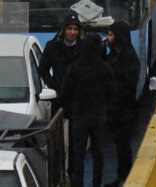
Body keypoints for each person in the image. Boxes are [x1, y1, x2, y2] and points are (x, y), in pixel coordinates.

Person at [60, 34, 115, 187]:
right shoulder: (104, 68)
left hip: (79, 117)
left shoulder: (75, 67)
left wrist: (71, 109)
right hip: (98, 117)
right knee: (98, 153)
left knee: (78, 154)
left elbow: (65, 92)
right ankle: (96, 183)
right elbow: (111, 92)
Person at [104, 21, 140, 185]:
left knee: (123, 143)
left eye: (110, 35)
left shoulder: (128, 56)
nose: (107, 38)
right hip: (116, 109)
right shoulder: (117, 53)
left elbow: (126, 84)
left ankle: (125, 176)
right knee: (120, 143)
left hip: (123, 110)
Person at [39, 14, 85, 110]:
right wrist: (53, 85)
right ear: (64, 29)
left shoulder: (84, 47)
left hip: (79, 98)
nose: (72, 32)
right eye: (69, 28)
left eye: (75, 29)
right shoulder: (52, 46)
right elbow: (43, 69)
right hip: (59, 97)